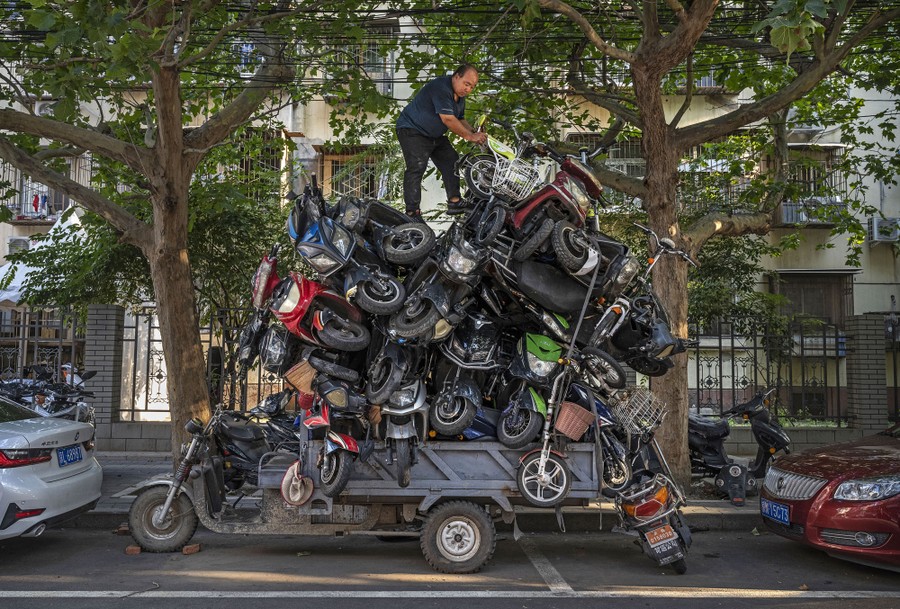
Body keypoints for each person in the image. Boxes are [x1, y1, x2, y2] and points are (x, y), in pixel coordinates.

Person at [396, 64, 487, 219]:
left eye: (472, 87)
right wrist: (470, 137)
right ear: (456, 76)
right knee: (417, 167)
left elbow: (459, 119)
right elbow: (448, 119)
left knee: (451, 160)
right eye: (466, 84)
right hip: (412, 130)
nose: (468, 89)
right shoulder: (441, 87)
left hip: (434, 135)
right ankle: (412, 213)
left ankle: (454, 202)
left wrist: (474, 132)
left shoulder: (460, 98)